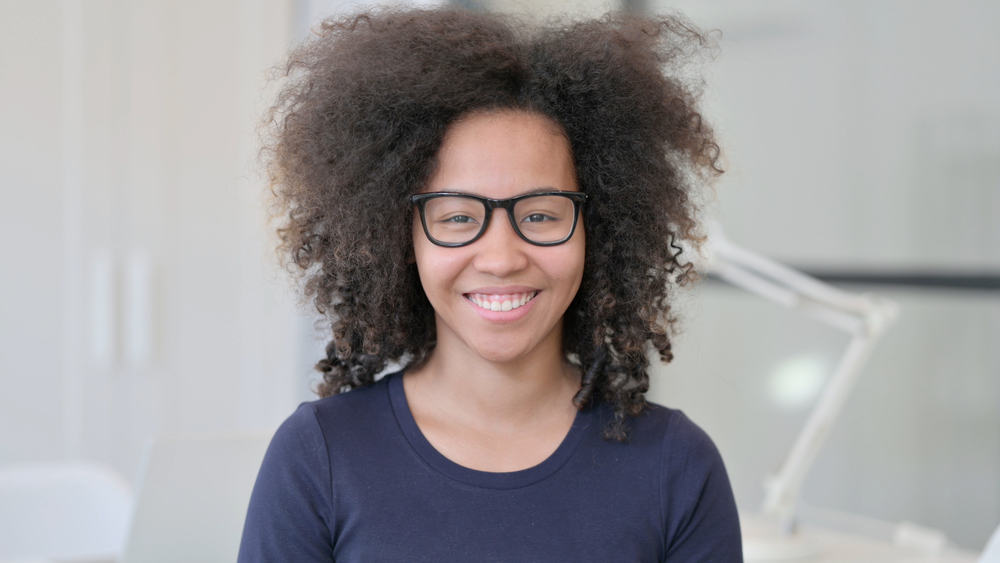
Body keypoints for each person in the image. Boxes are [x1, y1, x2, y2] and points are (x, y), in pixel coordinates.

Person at [239, 7, 742, 562]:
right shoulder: (320, 456)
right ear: (397, 239)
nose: (501, 258)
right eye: (457, 217)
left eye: (541, 215)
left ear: (599, 231)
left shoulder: (677, 466)